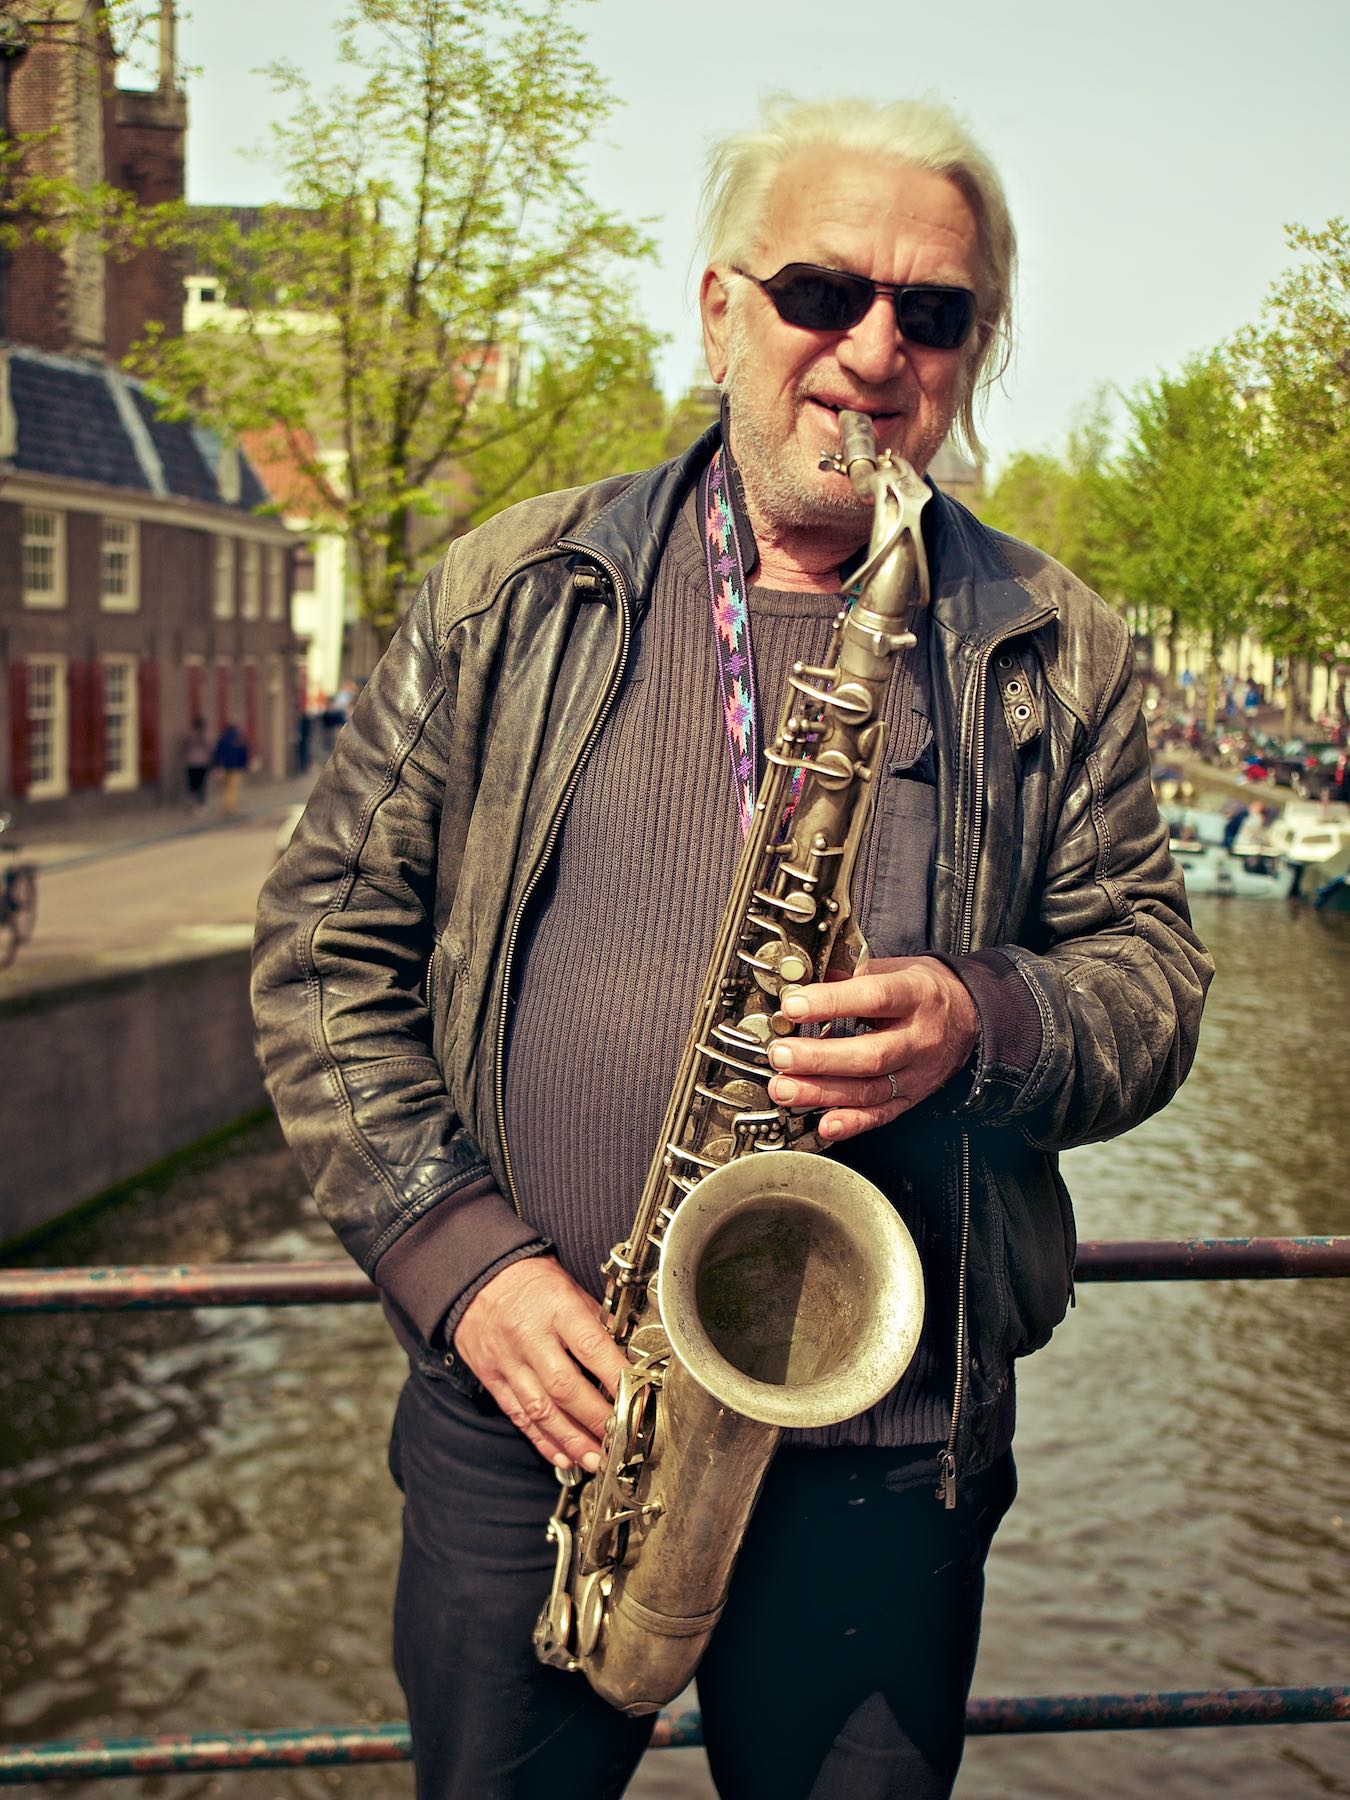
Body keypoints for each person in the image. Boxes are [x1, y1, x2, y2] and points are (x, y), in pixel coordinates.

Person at [252, 95, 1212, 1800]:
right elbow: (323, 956)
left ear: (973, 351)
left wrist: (983, 1022)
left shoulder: (1057, 643)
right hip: (537, 1417)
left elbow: (1150, 979)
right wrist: (460, 1260)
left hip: (885, 1456)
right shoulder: (505, 589)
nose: (870, 351)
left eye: (933, 313)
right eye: (821, 291)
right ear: (717, 311)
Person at [212, 721, 248, 819]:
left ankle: (226, 807)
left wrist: (217, 765)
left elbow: (217, 752)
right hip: (236, 767)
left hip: (225, 767)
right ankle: (230, 809)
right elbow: (243, 752)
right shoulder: (239, 739)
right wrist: (244, 765)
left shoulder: (223, 738)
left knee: (226, 788)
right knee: (233, 788)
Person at [182, 716, 213, 807]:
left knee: (196, 784)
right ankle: (198, 803)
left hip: (193, 763)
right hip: (200, 763)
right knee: (199, 784)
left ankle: (196, 802)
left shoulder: (192, 735)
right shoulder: (195, 735)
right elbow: (210, 747)